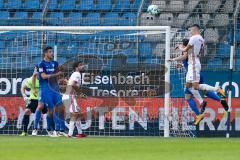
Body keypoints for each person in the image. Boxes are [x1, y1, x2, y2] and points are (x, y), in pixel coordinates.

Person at [32, 46, 66, 137]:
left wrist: (61, 78)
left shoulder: (55, 63)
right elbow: (42, 76)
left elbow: (58, 74)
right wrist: (34, 89)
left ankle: (58, 130)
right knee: (45, 108)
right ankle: (36, 128)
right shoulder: (41, 64)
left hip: (55, 88)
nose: (52, 54)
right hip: (45, 89)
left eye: (52, 52)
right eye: (50, 52)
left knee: (60, 108)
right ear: (45, 53)